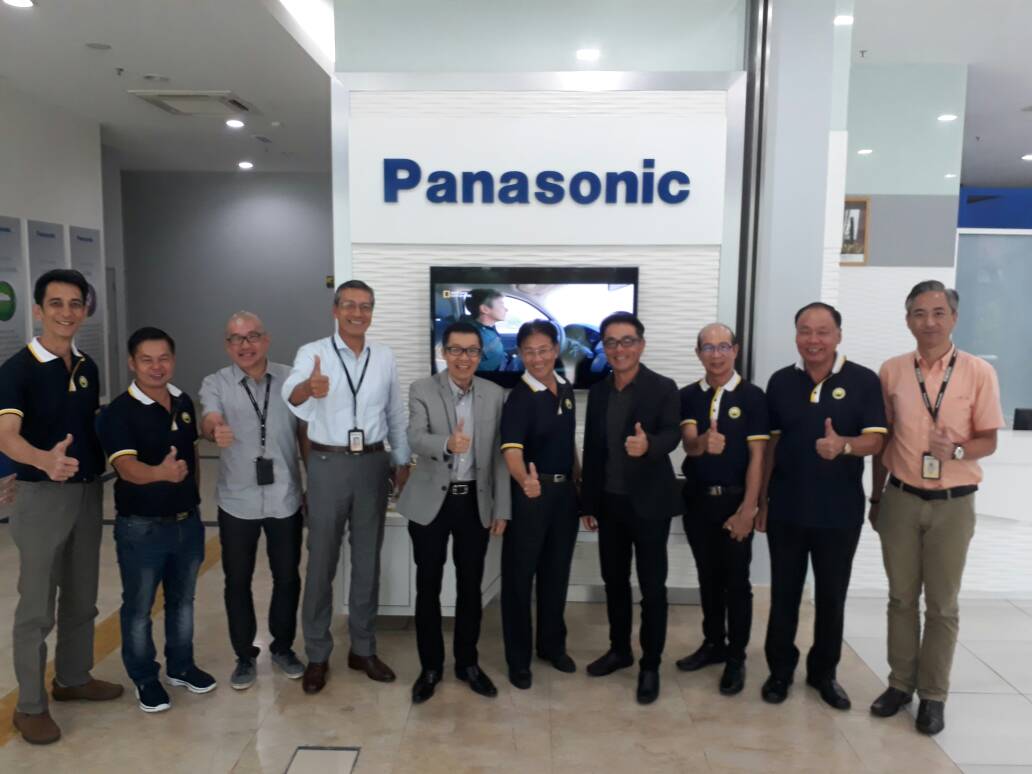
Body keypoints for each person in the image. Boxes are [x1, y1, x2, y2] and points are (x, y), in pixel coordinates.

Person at [869, 281, 1003, 736]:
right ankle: (899, 685)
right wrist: (876, 497)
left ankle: (933, 695)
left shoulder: (978, 372)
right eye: (919, 313)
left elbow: (989, 440)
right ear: (908, 319)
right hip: (901, 499)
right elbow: (883, 441)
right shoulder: (892, 371)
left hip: (953, 504)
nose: (929, 322)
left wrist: (958, 451)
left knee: (942, 605)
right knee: (900, 599)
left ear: (953, 318)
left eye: (938, 313)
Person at [0, 269, 123, 744]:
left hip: (87, 494)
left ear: (85, 310)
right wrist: (40, 461)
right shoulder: (17, 370)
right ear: (38, 310)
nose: (67, 313)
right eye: (56, 303)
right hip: (41, 497)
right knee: (36, 608)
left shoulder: (87, 366)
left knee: (81, 596)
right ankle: (29, 707)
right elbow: (6, 434)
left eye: (75, 304)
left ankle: (73, 677)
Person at [282, 279, 411, 694]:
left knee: (367, 561)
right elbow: (290, 396)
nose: (358, 313)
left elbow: (394, 411)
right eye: (350, 305)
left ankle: (363, 648)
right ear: (335, 310)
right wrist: (308, 388)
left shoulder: (384, 356)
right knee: (321, 562)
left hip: (373, 463)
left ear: (372, 312)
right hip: (327, 463)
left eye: (365, 306)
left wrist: (401, 457)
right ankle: (317, 654)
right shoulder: (313, 353)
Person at [759, 302, 886, 710]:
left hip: (839, 512)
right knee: (784, 595)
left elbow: (877, 440)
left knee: (832, 597)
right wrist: (761, 501)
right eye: (805, 331)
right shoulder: (781, 381)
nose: (813, 340)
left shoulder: (863, 380)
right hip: (786, 509)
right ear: (796, 334)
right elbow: (772, 446)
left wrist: (843, 445)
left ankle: (823, 673)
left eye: (822, 331)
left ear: (838, 335)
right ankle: (780, 671)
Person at [97, 327, 216, 713]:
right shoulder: (118, 412)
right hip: (141, 527)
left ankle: (181, 666)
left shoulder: (182, 401)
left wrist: (193, 499)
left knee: (183, 601)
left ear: (173, 360)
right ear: (132, 363)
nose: (156, 367)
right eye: (146, 360)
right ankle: (145, 678)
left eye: (163, 358)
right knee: (139, 607)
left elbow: (192, 455)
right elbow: (126, 468)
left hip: (186, 522)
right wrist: (161, 474)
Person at [397, 321, 510, 703]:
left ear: (481, 354)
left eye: (472, 351)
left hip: (474, 501)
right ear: (444, 353)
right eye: (456, 350)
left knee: (470, 585)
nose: (464, 358)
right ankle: (430, 667)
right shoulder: (422, 389)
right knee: (427, 585)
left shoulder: (495, 394)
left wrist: (502, 508)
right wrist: (447, 442)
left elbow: (500, 456)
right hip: (431, 502)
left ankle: (467, 664)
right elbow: (414, 437)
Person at [199, 312, 307, 690]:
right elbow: (209, 418)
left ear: (266, 339)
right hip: (237, 499)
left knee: (287, 577)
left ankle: (282, 648)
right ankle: (244, 655)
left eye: (252, 336)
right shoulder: (216, 382)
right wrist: (214, 430)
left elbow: (304, 432)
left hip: (284, 496)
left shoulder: (291, 379)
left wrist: (311, 482)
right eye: (236, 339)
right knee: (237, 580)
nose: (245, 345)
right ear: (227, 345)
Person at [580, 312, 681, 705]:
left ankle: (650, 664)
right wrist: (588, 502)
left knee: (652, 587)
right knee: (614, 581)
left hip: (650, 504)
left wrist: (649, 445)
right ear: (603, 348)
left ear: (640, 344)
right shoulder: (599, 391)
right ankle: (619, 650)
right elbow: (593, 450)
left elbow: (672, 433)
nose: (619, 349)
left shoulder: (663, 387)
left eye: (627, 341)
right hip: (609, 503)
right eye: (611, 342)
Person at [675, 323, 769, 696]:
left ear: (735, 350)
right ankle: (713, 643)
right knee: (708, 577)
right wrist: (703, 442)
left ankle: (735, 656)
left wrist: (748, 509)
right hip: (698, 501)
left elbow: (758, 457)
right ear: (698, 352)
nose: (716, 355)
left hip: (735, 502)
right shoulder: (688, 396)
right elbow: (689, 445)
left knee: (736, 582)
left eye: (723, 347)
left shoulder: (753, 397)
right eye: (708, 348)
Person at [499, 320, 579, 690]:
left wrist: (580, 485)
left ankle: (552, 646)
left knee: (556, 573)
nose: (537, 358)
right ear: (520, 354)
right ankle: (518, 660)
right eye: (529, 352)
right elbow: (511, 451)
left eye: (543, 350)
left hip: (565, 497)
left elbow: (569, 442)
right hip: (531, 496)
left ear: (555, 350)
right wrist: (524, 480)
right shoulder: (518, 398)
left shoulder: (565, 388)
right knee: (519, 579)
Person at [465, 289, 507, 372]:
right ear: (485, 309)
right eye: (501, 305)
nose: (506, 309)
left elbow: (494, 352)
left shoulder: (488, 327)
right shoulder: (473, 337)